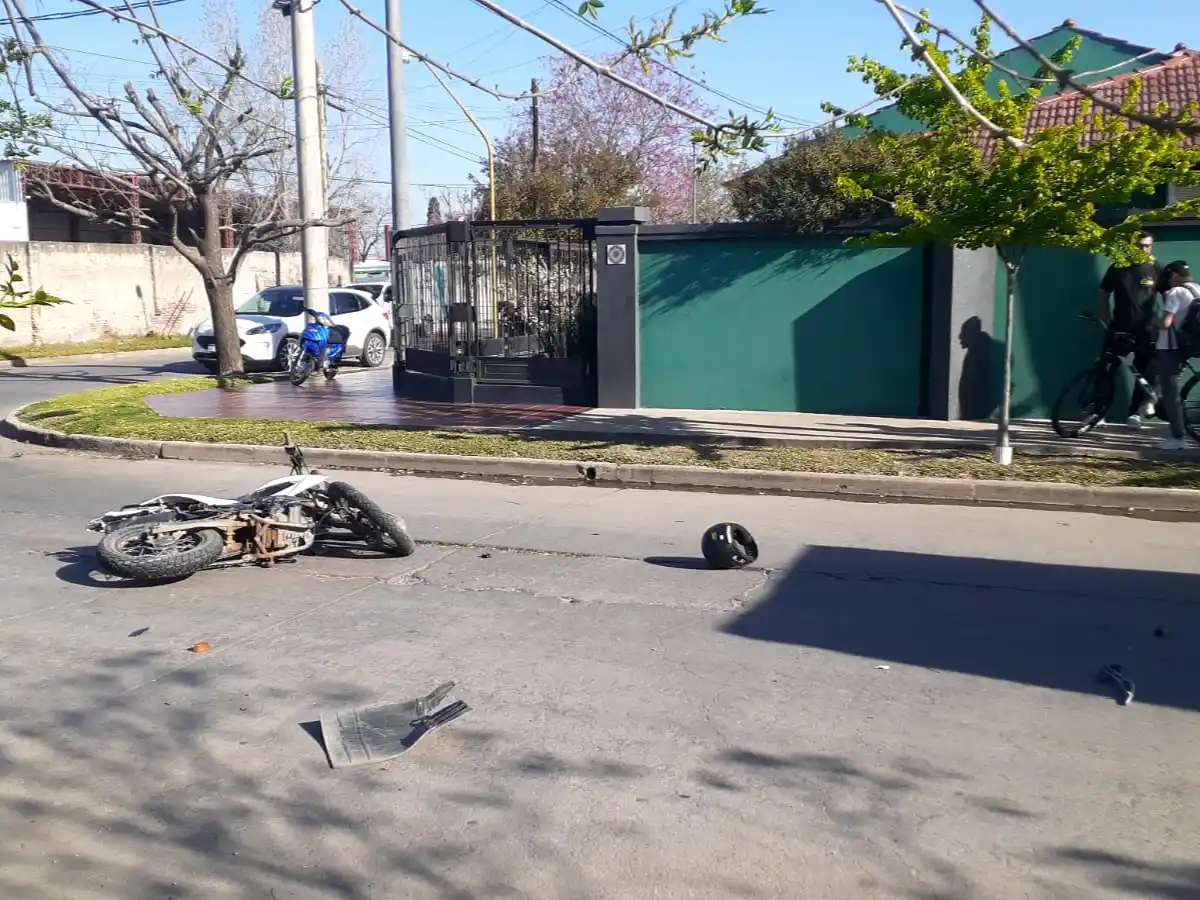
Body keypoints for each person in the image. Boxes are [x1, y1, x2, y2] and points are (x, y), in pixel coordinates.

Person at [1098, 232, 1162, 428]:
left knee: (1144, 372)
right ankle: (1097, 413)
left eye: (1148, 246)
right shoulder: (1119, 267)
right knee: (1106, 369)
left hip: (1146, 331)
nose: (1144, 249)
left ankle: (1134, 414)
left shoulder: (1157, 269)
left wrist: (1159, 323)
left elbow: (1171, 298)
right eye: (1141, 246)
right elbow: (1102, 296)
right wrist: (1108, 322)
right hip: (1120, 329)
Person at [1154, 260, 1200, 451]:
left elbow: (1166, 323)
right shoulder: (1197, 289)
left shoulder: (1176, 292)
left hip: (1171, 346)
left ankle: (1178, 436)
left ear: (1173, 276)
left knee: (1170, 391)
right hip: (1191, 345)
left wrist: (1151, 325)